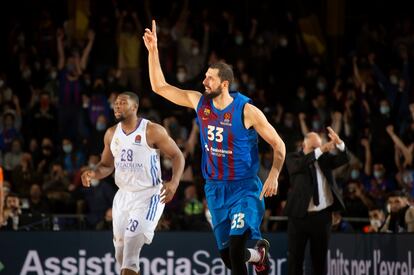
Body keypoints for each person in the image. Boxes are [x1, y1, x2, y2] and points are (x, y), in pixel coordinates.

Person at [143, 20, 286, 275]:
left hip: (243, 188)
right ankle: (258, 255)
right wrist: (153, 52)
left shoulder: (246, 110)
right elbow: (159, 87)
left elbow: (279, 144)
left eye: (210, 77)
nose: (204, 81)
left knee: (235, 249)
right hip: (215, 188)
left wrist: (274, 173)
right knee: (229, 258)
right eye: (205, 76)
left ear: (224, 84)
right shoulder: (199, 103)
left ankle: (252, 253)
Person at [81, 91, 185, 275]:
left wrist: (174, 182)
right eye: (115, 103)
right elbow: (106, 165)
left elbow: (177, 155)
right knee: (121, 256)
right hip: (123, 196)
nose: (117, 106)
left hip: (149, 195)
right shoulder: (111, 133)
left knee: (130, 250)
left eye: (122, 102)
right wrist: (93, 173)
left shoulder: (152, 130)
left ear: (134, 107)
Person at [284, 128, 349, 275]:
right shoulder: (293, 158)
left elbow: (344, 158)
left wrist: (340, 144)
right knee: (295, 261)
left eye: (319, 147)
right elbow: (300, 165)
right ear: (303, 146)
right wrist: (320, 150)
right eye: (314, 147)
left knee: (319, 262)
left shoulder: (324, 159)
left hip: (322, 217)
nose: (318, 150)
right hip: (299, 217)